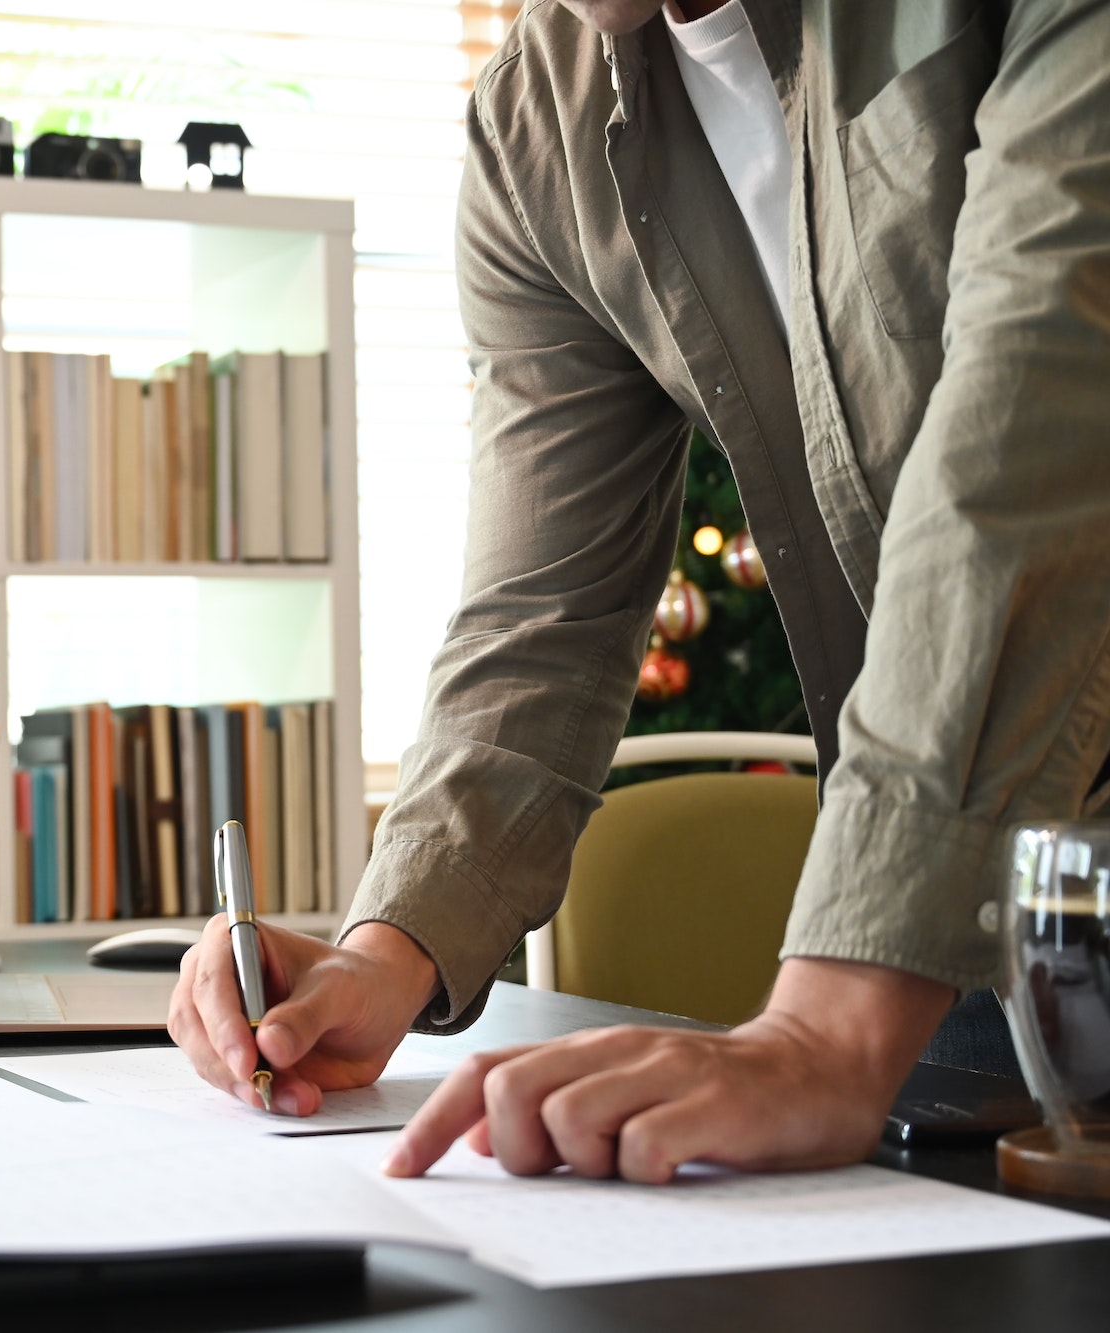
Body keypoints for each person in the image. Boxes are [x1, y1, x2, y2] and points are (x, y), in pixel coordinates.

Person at [171, 0, 1110, 1184]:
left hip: (910, 950)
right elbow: (538, 613)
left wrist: (827, 1024)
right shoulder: (535, 125)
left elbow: (1036, 435)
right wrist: (389, 945)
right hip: (989, 953)